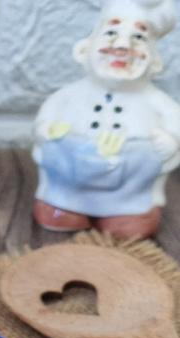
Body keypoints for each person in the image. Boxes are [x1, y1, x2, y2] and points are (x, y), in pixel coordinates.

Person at [33, 0, 180, 238]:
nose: (122, 46)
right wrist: (44, 129)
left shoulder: (156, 101)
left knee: (130, 218)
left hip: (131, 188)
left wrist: (172, 139)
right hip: (69, 177)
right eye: (111, 33)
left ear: (154, 61)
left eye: (139, 38)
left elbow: (175, 121)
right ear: (83, 50)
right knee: (59, 182)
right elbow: (47, 114)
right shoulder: (69, 95)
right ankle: (63, 207)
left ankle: (126, 215)